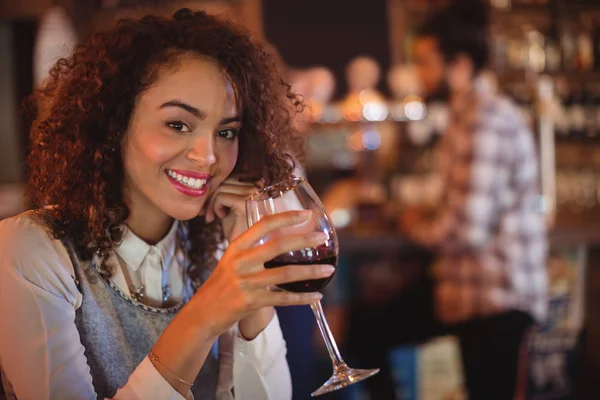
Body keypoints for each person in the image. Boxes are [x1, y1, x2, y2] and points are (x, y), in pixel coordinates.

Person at [0, 8, 335, 400]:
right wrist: (206, 313)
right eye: (178, 124)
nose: (208, 156)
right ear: (114, 124)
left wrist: (251, 280)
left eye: (226, 131)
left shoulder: (215, 247)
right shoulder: (30, 249)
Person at [347, 1, 548, 399]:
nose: (418, 74)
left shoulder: (485, 120)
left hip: (496, 297)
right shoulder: (465, 115)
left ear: (459, 64)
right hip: (465, 292)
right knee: (367, 330)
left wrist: (411, 222)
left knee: (368, 331)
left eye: (425, 63)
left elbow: (466, 229)